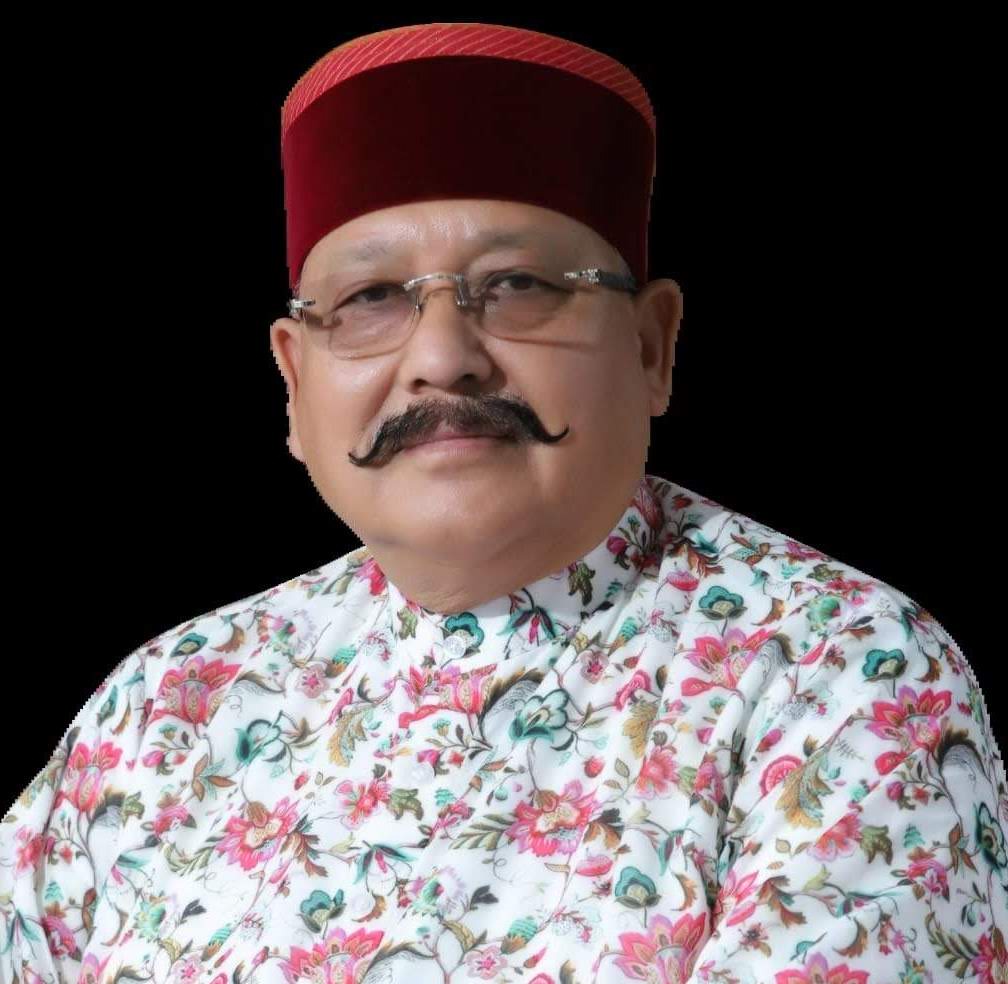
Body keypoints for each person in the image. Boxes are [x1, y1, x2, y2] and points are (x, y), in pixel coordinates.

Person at [1, 21, 1004, 984]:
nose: (443, 359)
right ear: (294, 381)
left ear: (651, 348)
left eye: (519, 284)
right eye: (371, 299)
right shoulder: (160, 708)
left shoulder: (840, 673)